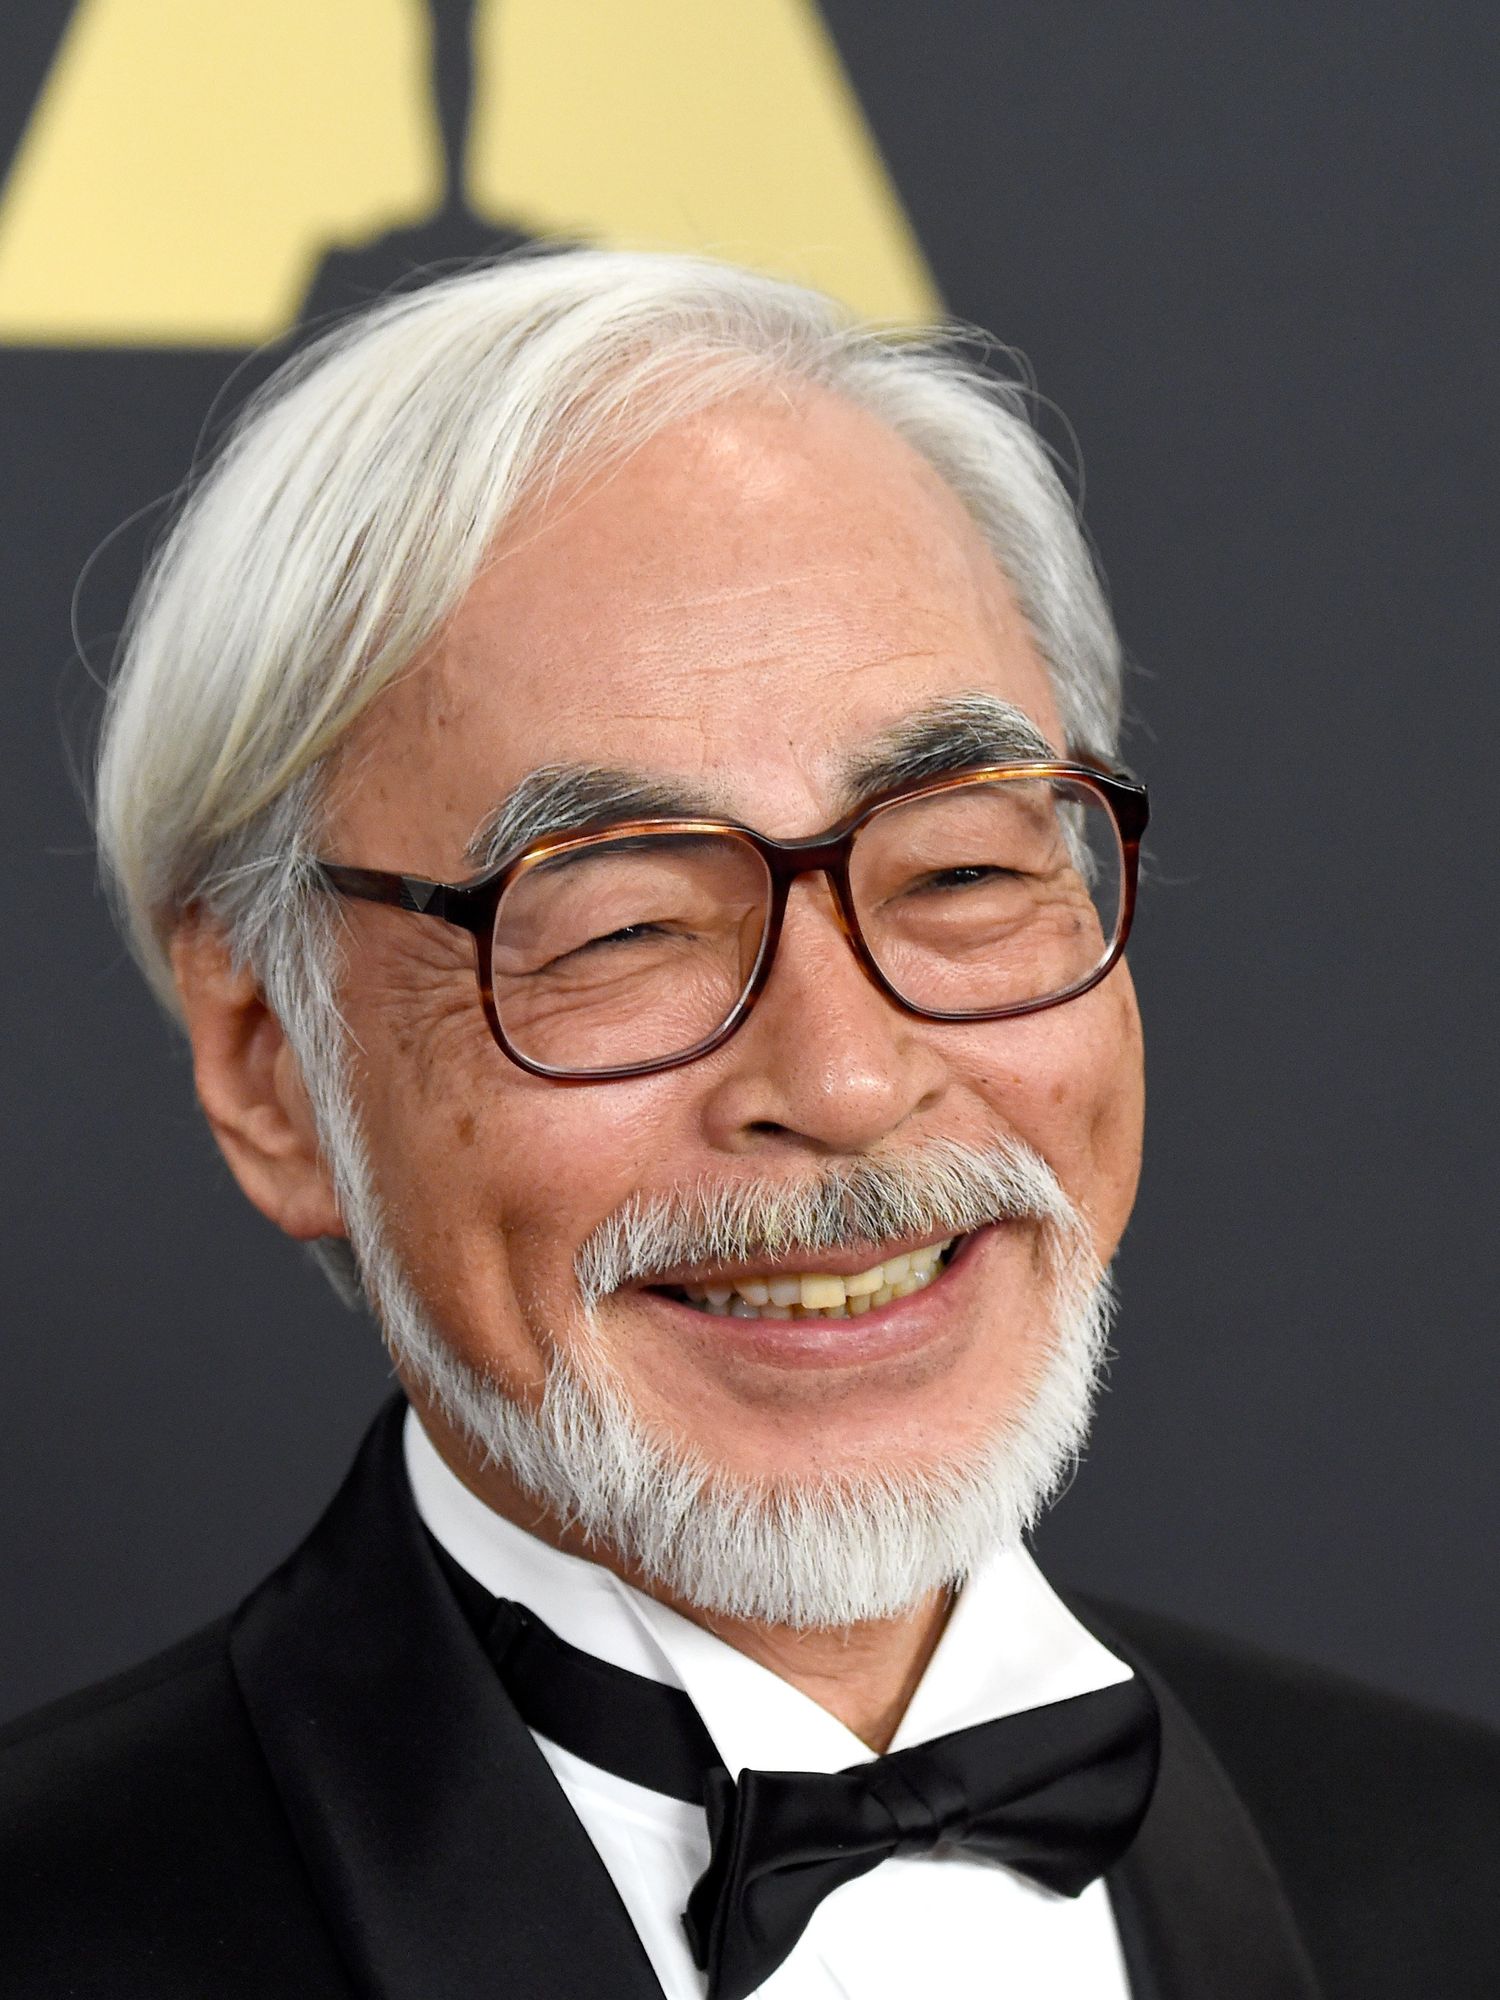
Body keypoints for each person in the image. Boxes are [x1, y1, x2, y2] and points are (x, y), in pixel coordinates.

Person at [2, 249, 1495, 1999]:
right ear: (271, 1066)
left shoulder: (1455, 1873)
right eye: (620, 924)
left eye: (957, 867)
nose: (849, 1081)